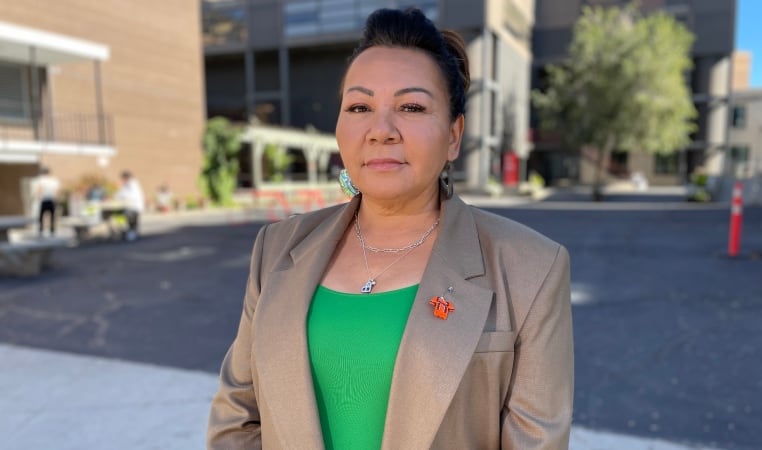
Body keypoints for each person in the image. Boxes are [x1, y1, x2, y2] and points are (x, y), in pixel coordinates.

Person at [208, 8, 573, 450]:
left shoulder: (530, 268)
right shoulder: (277, 249)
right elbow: (237, 419)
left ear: (454, 135)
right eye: (360, 106)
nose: (381, 130)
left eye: (411, 107)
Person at [114, 170, 145, 241]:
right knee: (118, 214)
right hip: (130, 207)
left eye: (123, 178)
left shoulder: (133, 184)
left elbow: (128, 195)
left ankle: (129, 232)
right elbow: (119, 194)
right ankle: (123, 230)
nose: (122, 180)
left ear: (127, 177)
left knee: (121, 214)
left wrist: (120, 196)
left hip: (134, 208)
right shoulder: (127, 185)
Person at [32, 166, 60, 236]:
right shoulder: (54, 181)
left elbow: (39, 190)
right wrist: (56, 200)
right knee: (52, 216)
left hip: (43, 200)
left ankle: (41, 230)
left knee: (41, 216)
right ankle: (52, 231)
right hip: (52, 200)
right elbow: (56, 192)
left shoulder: (40, 180)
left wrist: (37, 198)